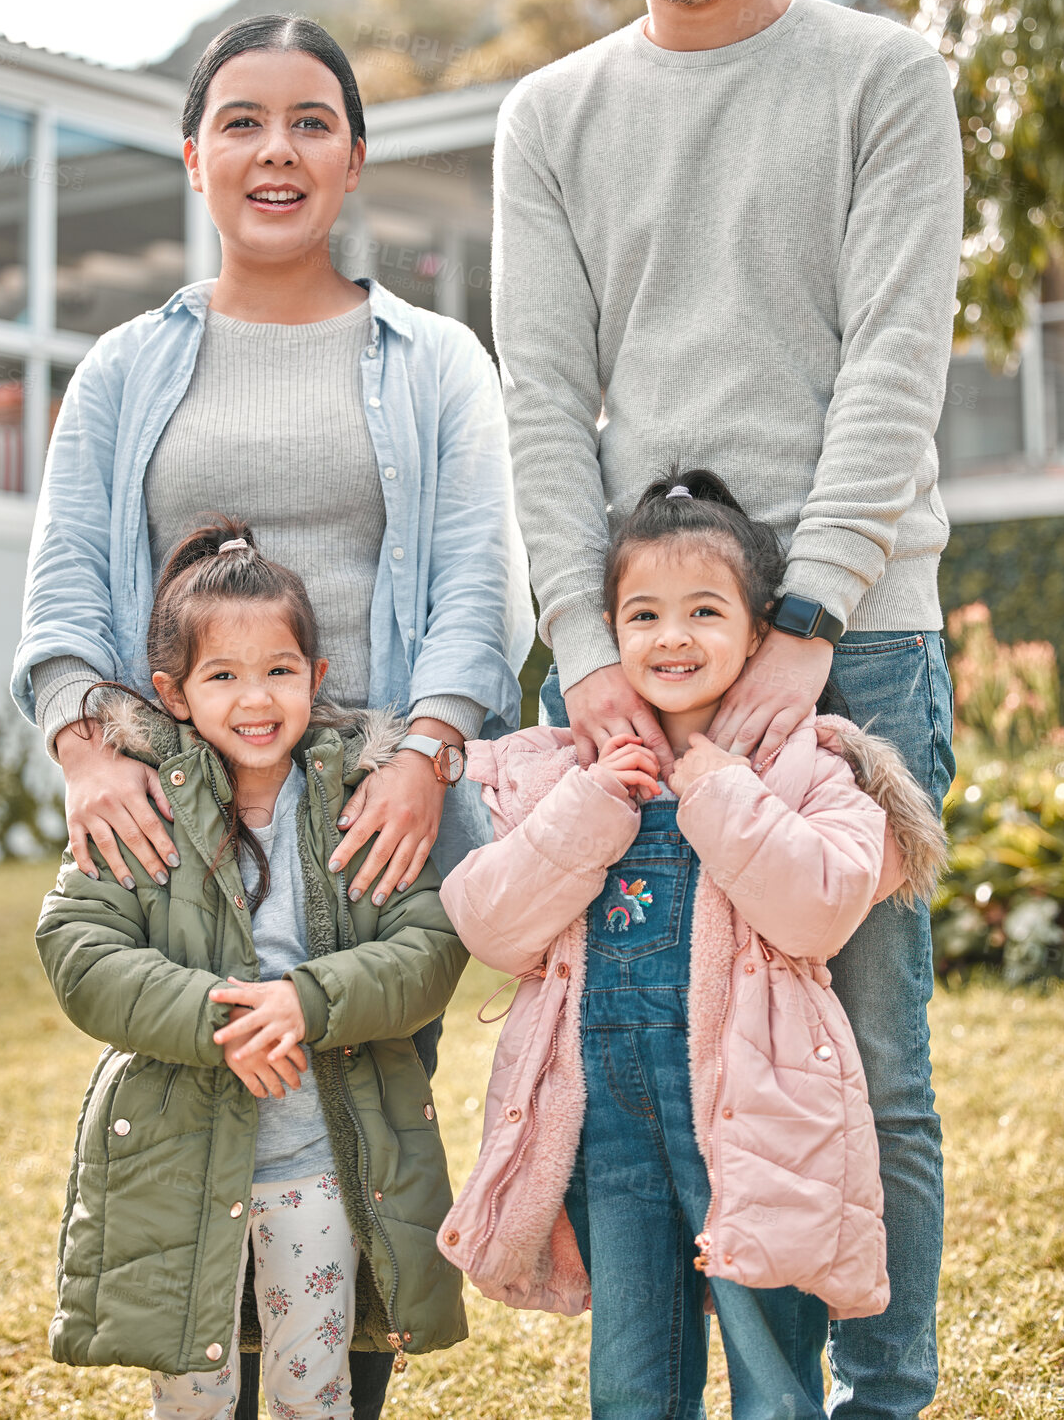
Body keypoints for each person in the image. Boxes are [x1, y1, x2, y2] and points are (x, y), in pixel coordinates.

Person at [490, 0, 962, 1417]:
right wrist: (580, 644)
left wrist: (815, 614)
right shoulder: (549, 117)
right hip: (659, 667)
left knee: (872, 1063)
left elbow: (900, 352)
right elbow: (539, 397)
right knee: (675, 1075)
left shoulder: (885, 75)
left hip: (864, 643)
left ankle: (878, 1397)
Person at [13, 13, 533, 1417]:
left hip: (369, 826)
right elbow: (64, 572)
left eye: (310, 120)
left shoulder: (435, 361)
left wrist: (425, 753)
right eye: (240, 120)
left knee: (355, 1186)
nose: (275, 149)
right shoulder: (124, 366)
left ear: (354, 156)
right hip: (189, 826)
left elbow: (486, 580)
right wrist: (79, 741)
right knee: (197, 1171)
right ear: (194, 156)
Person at [437, 473, 946, 1420]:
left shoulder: (807, 765)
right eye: (644, 614)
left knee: (771, 1375)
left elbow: (819, 909)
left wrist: (716, 786)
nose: (671, 636)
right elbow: (488, 923)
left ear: (758, 634)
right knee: (632, 1378)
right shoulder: (564, 771)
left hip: (761, 1126)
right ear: (606, 633)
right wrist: (592, 808)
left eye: (703, 611)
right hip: (611, 1129)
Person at [36, 521, 469, 1420]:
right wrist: (221, 1015)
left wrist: (305, 1002)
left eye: (278, 670)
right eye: (222, 675)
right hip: (183, 1163)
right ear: (176, 692)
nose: (255, 697)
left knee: (314, 1387)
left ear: (315, 677)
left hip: (318, 1165)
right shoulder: (144, 802)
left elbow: (428, 945)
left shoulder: (362, 801)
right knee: (193, 1394)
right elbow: (81, 947)